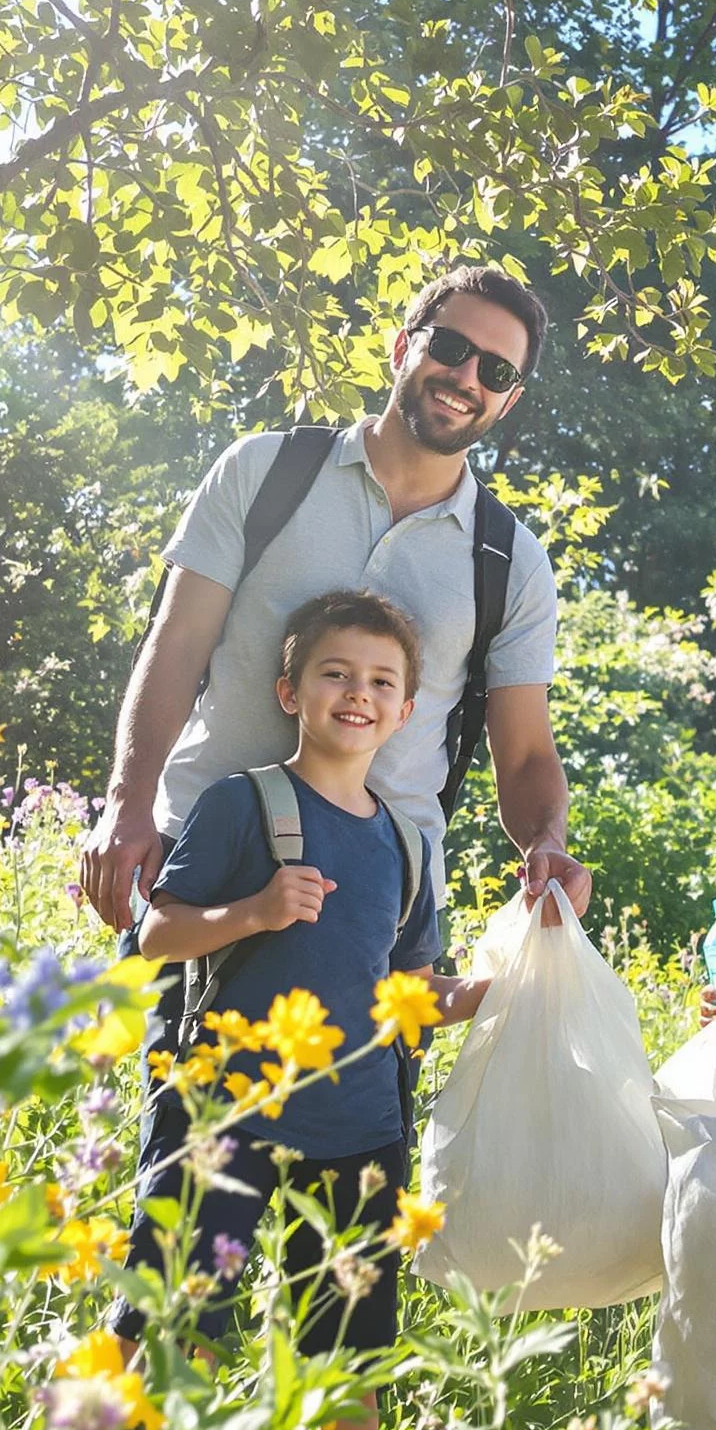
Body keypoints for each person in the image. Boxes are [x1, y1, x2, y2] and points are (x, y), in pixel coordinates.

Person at [112, 589, 490, 1430]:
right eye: (336, 674)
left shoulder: (405, 842)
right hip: (223, 1117)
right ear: (290, 691)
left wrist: (494, 993)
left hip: (360, 1126)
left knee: (348, 1353)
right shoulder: (241, 804)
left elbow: (412, 991)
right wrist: (254, 912)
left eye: (382, 682)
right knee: (181, 1322)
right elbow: (156, 937)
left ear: (406, 712)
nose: (358, 694)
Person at [78, 261, 591, 944]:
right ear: (403, 346)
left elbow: (524, 755)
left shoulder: (511, 563)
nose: (467, 378)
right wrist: (127, 803)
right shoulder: (262, 471)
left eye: (496, 372)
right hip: (201, 862)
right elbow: (176, 646)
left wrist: (546, 844)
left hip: (384, 896)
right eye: (450, 347)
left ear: (509, 400)